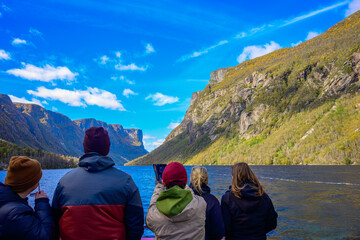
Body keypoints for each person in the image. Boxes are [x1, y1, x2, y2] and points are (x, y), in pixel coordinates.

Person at [52, 126, 144, 240]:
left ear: (85, 148)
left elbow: (55, 222)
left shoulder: (64, 182)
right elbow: (136, 226)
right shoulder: (126, 181)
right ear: (107, 149)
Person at [146, 162, 207, 240]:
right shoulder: (201, 203)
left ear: (164, 183)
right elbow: (191, 195)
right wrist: (182, 183)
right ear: (186, 181)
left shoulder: (155, 216)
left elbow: (152, 208)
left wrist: (159, 185)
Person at [0, 156, 54, 240]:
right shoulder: (16, 214)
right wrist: (42, 204)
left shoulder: (7, 200)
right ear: (32, 183)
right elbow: (46, 236)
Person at [221, 162, 278, 240]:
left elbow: (226, 228)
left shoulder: (227, 198)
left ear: (234, 177)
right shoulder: (264, 196)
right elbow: (272, 223)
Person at [190, 166, 225, 240]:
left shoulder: (185, 199)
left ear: (191, 179)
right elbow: (219, 231)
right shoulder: (212, 201)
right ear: (207, 180)